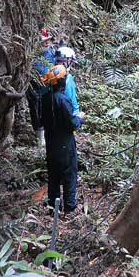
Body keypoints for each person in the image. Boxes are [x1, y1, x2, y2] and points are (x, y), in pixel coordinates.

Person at [40, 64, 83, 215]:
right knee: (69, 175)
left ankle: (53, 209)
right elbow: (72, 124)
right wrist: (79, 118)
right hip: (65, 145)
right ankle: (70, 208)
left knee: (53, 177)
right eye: (64, 77)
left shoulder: (44, 99)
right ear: (61, 81)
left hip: (51, 144)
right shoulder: (63, 100)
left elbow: (41, 121)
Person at [26, 28, 57, 148]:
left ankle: (49, 132)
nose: (47, 43)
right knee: (35, 110)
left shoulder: (50, 52)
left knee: (48, 109)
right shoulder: (32, 55)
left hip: (48, 87)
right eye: (44, 41)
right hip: (34, 87)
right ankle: (40, 137)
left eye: (48, 40)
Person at [53, 46, 82, 117]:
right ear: (66, 61)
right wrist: (77, 115)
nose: (71, 64)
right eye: (70, 61)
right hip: (65, 114)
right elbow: (71, 98)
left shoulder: (50, 73)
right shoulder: (67, 77)